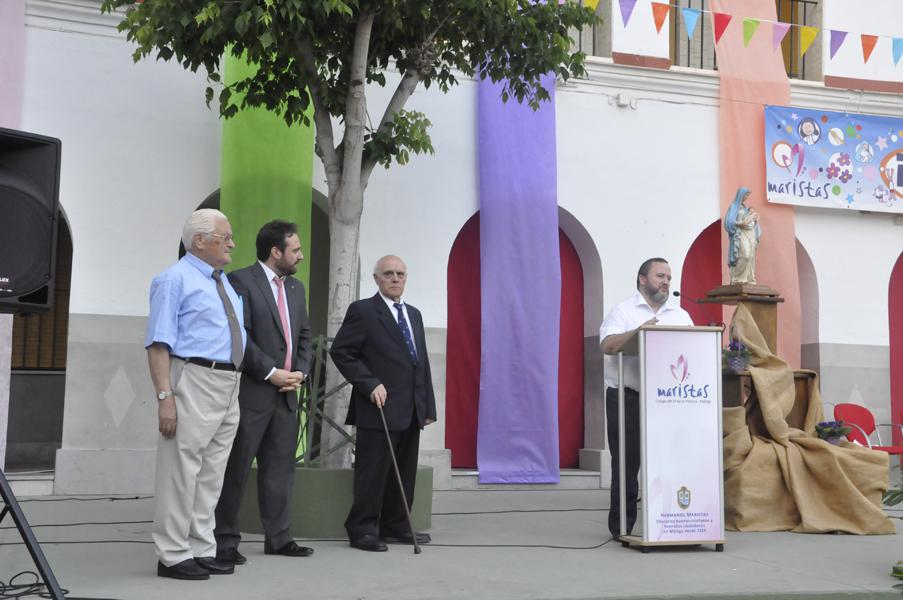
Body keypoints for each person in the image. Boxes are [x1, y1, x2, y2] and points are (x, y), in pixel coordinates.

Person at [145, 208, 246, 580]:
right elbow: (158, 345)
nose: (233, 243)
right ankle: (172, 553)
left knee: (210, 473)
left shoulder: (223, 283)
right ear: (200, 241)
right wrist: (165, 397)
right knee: (180, 470)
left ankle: (201, 547)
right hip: (194, 376)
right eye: (226, 237)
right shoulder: (174, 280)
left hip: (229, 382)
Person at [214, 220, 313, 564]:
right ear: (276, 251)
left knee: (280, 469)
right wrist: (271, 373)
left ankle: (279, 537)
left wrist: (300, 371)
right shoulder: (240, 281)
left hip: (287, 395)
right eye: (295, 249)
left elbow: (304, 336)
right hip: (252, 393)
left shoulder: (297, 289)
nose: (300, 255)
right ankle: (224, 541)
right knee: (235, 469)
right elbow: (240, 335)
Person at [329, 255, 437, 552]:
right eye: (388, 273)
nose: (395, 278)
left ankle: (396, 525)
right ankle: (362, 529)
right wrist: (369, 383)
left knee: (404, 472)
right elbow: (342, 352)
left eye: (400, 274)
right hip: (376, 406)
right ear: (376, 279)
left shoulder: (413, 314)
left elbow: (421, 363)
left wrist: (427, 406)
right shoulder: (363, 311)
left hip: (411, 408)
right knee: (372, 473)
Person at [599, 258, 693, 542]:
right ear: (642, 279)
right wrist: (639, 332)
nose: (666, 281)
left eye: (668, 277)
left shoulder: (680, 315)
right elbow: (607, 345)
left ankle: (671, 521)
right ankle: (623, 528)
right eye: (660, 276)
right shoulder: (624, 311)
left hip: (667, 400)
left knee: (668, 460)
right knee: (627, 465)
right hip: (626, 397)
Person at [725, 187, 761, 285]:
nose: (746, 198)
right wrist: (739, 224)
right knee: (745, 255)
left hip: (748, 233)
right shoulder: (733, 206)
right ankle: (736, 278)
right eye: (745, 195)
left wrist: (755, 220)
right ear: (740, 195)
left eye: (747, 196)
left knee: (751, 256)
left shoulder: (746, 207)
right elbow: (729, 222)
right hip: (739, 233)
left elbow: (749, 219)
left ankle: (747, 278)